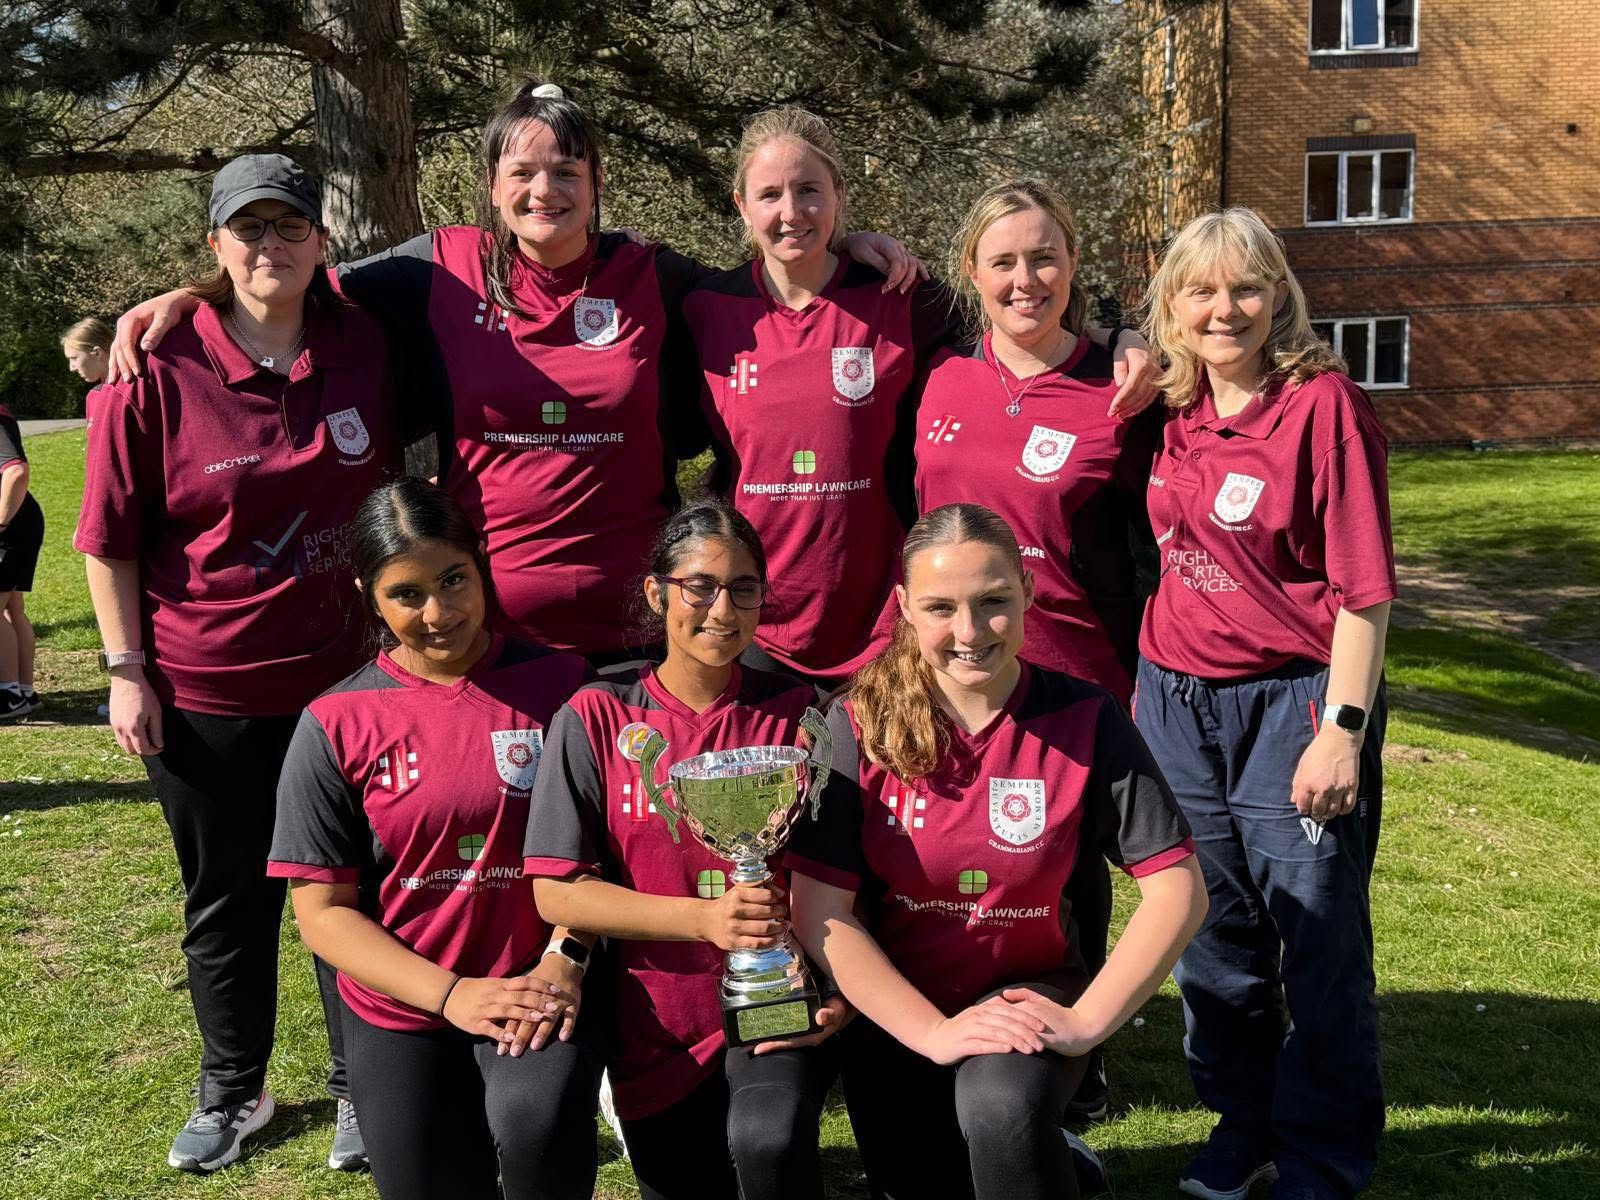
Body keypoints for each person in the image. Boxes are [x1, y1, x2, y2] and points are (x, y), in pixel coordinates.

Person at [110, 83, 922, 667]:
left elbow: (768, 286)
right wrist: (193, 295)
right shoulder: (438, 271)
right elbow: (292, 278)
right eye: (523, 172)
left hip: (642, 633)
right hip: (486, 634)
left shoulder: (653, 276)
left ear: (596, 185)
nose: (545, 190)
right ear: (493, 187)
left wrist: (846, 247)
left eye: (567, 170)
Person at [74, 153, 397, 1173]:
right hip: (206, 691)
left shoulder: (365, 340)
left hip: (346, 689)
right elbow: (108, 540)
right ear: (214, 244)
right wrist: (125, 670)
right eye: (248, 228)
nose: (270, 246)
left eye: (290, 225)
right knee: (229, 899)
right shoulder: (151, 370)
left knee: (350, 891)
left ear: (321, 240)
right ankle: (233, 1091)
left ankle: (361, 1088)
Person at [786, 502, 1207, 1200]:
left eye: (993, 602)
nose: (970, 631)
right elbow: (819, 909)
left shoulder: (1084, 716)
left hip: (1027, 997)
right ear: (904, 608)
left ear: (1028, 592)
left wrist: (1086, 1022)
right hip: (899, 1009)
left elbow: (1178, 889)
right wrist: (934, 1031)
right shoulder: (854, 724)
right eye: (941, 607)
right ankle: (1063, 1165)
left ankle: (1038, 1142)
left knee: (1002, 1110)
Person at [684, 109, 1157, 690]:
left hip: (890, 631)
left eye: (809, 190)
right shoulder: (702, 307)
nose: (791, 211)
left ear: (840, 194)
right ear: (740, 204)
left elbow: (1018, 326)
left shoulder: (903, 296)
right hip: (753, 624)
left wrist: (1121, 339)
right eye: (769, 194)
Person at [1134, 207, 1394, 1200]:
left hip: (1295, 703)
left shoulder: (1323, 407)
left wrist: (1341, 732)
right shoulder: (1168, 407)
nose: (1224, 309)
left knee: (1317, 939)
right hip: (1174, 702)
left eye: (1245, 286)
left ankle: (1322, 1153)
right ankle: (1241, 1126)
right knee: (1212, 936)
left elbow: (1363, 592)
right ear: (1170, 305)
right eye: (1199, 290)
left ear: (1278, 294)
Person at [268, 478, 601, 1200]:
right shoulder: (334, 722)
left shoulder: (567, 687)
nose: (439, 613)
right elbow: (322, 915)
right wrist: (451, 995)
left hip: (535, 984)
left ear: (481, 565)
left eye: (454, 580)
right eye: (407, 594)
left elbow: (606, 855)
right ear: (368, 596)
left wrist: (566, 958)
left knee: (538, 1130)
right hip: (402, 1005)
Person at [913, 178, 1164, 1121]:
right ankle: (952, 1035)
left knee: (1071, 870)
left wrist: (1136, 337)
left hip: (1074, 673)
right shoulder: (938, 376)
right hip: (951, 667)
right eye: (1004, 262)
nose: (1027, 280)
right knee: (962, 855)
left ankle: (1078, 1058)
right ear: (971, 272)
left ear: (1073, 264)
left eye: (1045, 258)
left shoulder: (1125, 387)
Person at [524, 500, 845, 1200]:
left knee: (771, 1144)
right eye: (699, 586)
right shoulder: (596, 716)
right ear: (656, 592)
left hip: (777, 1008)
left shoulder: (802, 713)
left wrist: (840, 988)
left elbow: (843, 873)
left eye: (743, 589)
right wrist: (703, 920)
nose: (722, 610)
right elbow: (557, 890)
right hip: (655, 1023)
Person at [0, 403, 45, 720]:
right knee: (12, 608)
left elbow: (17, 470)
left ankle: (9, 694)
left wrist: (1, 523)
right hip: (21, 522)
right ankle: (23, 691)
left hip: (11, 526)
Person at [61, 316, 114, 432]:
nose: (71, 368)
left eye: (74, 358)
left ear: (97, 353)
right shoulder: (93, 396)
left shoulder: (130, 392)